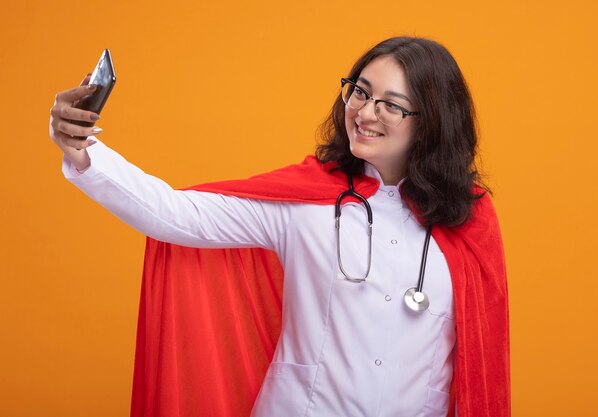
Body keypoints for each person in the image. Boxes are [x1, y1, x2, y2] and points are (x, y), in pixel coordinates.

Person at [49, 36, 510, 417]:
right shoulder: (303, 202)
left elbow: (479, 365)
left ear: (430, 124)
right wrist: (82, 150)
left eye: (391, 105)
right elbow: (174, 213)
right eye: (361, 92)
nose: (365, 113)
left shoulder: (468, 222)